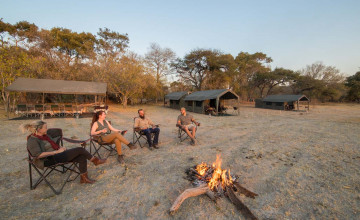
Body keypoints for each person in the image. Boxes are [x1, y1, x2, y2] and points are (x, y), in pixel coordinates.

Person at [24, 121, 106, 184]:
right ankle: (95, 161)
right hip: (47, 160)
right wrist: (56, 152)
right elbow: (37, 155)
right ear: (39, 130)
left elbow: (54, 145)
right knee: (80, 150)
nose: (47, 129)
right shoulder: (32, 140)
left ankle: (84, 178)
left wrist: (60, 148)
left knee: (82, 156)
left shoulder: (45, 136)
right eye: (45, 128)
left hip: (56, 155)